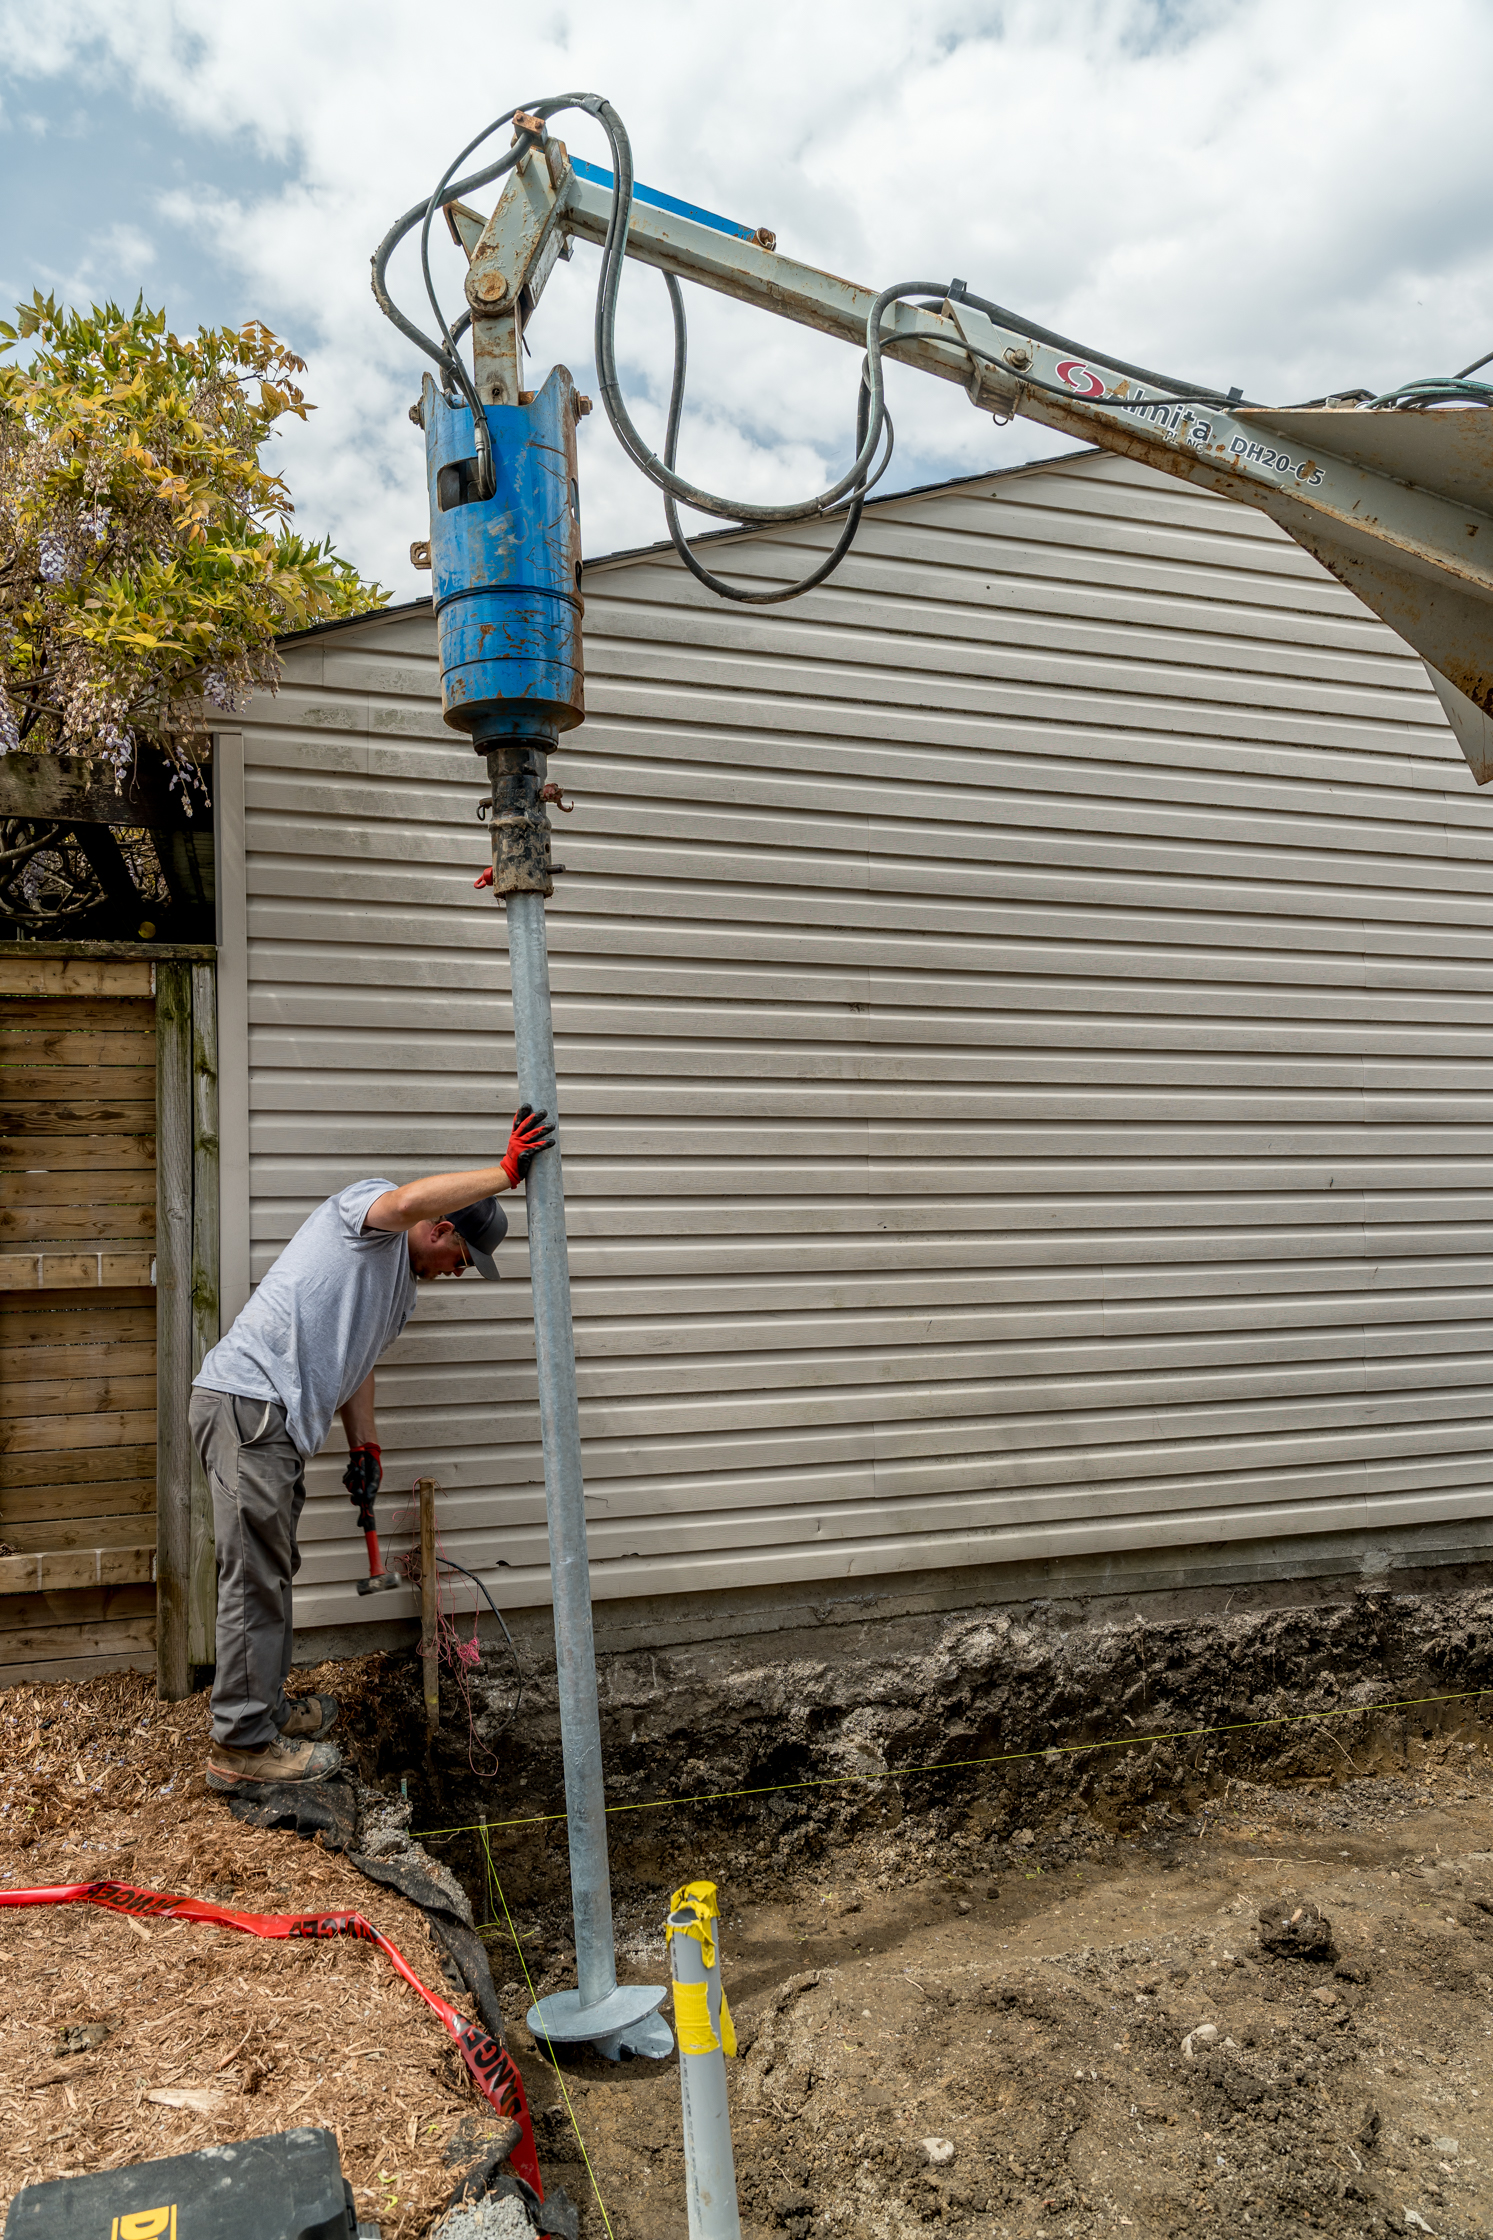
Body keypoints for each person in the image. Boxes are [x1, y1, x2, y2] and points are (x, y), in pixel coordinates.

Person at [189, 1103, 556, 1794]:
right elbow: (409, 1200)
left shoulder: (398, 1294)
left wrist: (366, 1447)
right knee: (254, 1576)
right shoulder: (367, 1217)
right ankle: (241, 1748)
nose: (458, 1273)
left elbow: (356, 1361)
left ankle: (264, 1712)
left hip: (274, 1424)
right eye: (461, 1258)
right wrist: (505, 1173)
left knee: (274, 1567)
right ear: (441, 1228)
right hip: (248, 1404)